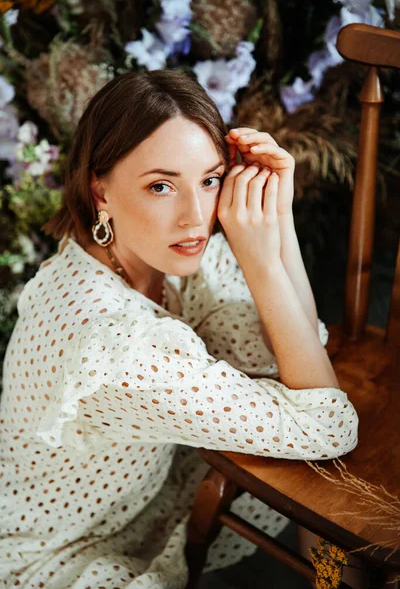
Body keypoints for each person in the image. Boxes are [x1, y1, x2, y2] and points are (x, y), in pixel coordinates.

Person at [0, 69, 359, 589]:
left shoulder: (148, 251)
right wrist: (262, 266)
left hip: (145, 499)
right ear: (99, 190)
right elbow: (327, 428)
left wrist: (279, 219)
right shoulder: (114, 349)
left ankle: (332, 588)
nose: (196, 216)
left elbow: (292, 351)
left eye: (210, 179)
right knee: (315, 465)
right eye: (161, 186)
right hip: (56, 557)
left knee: (310, 474)